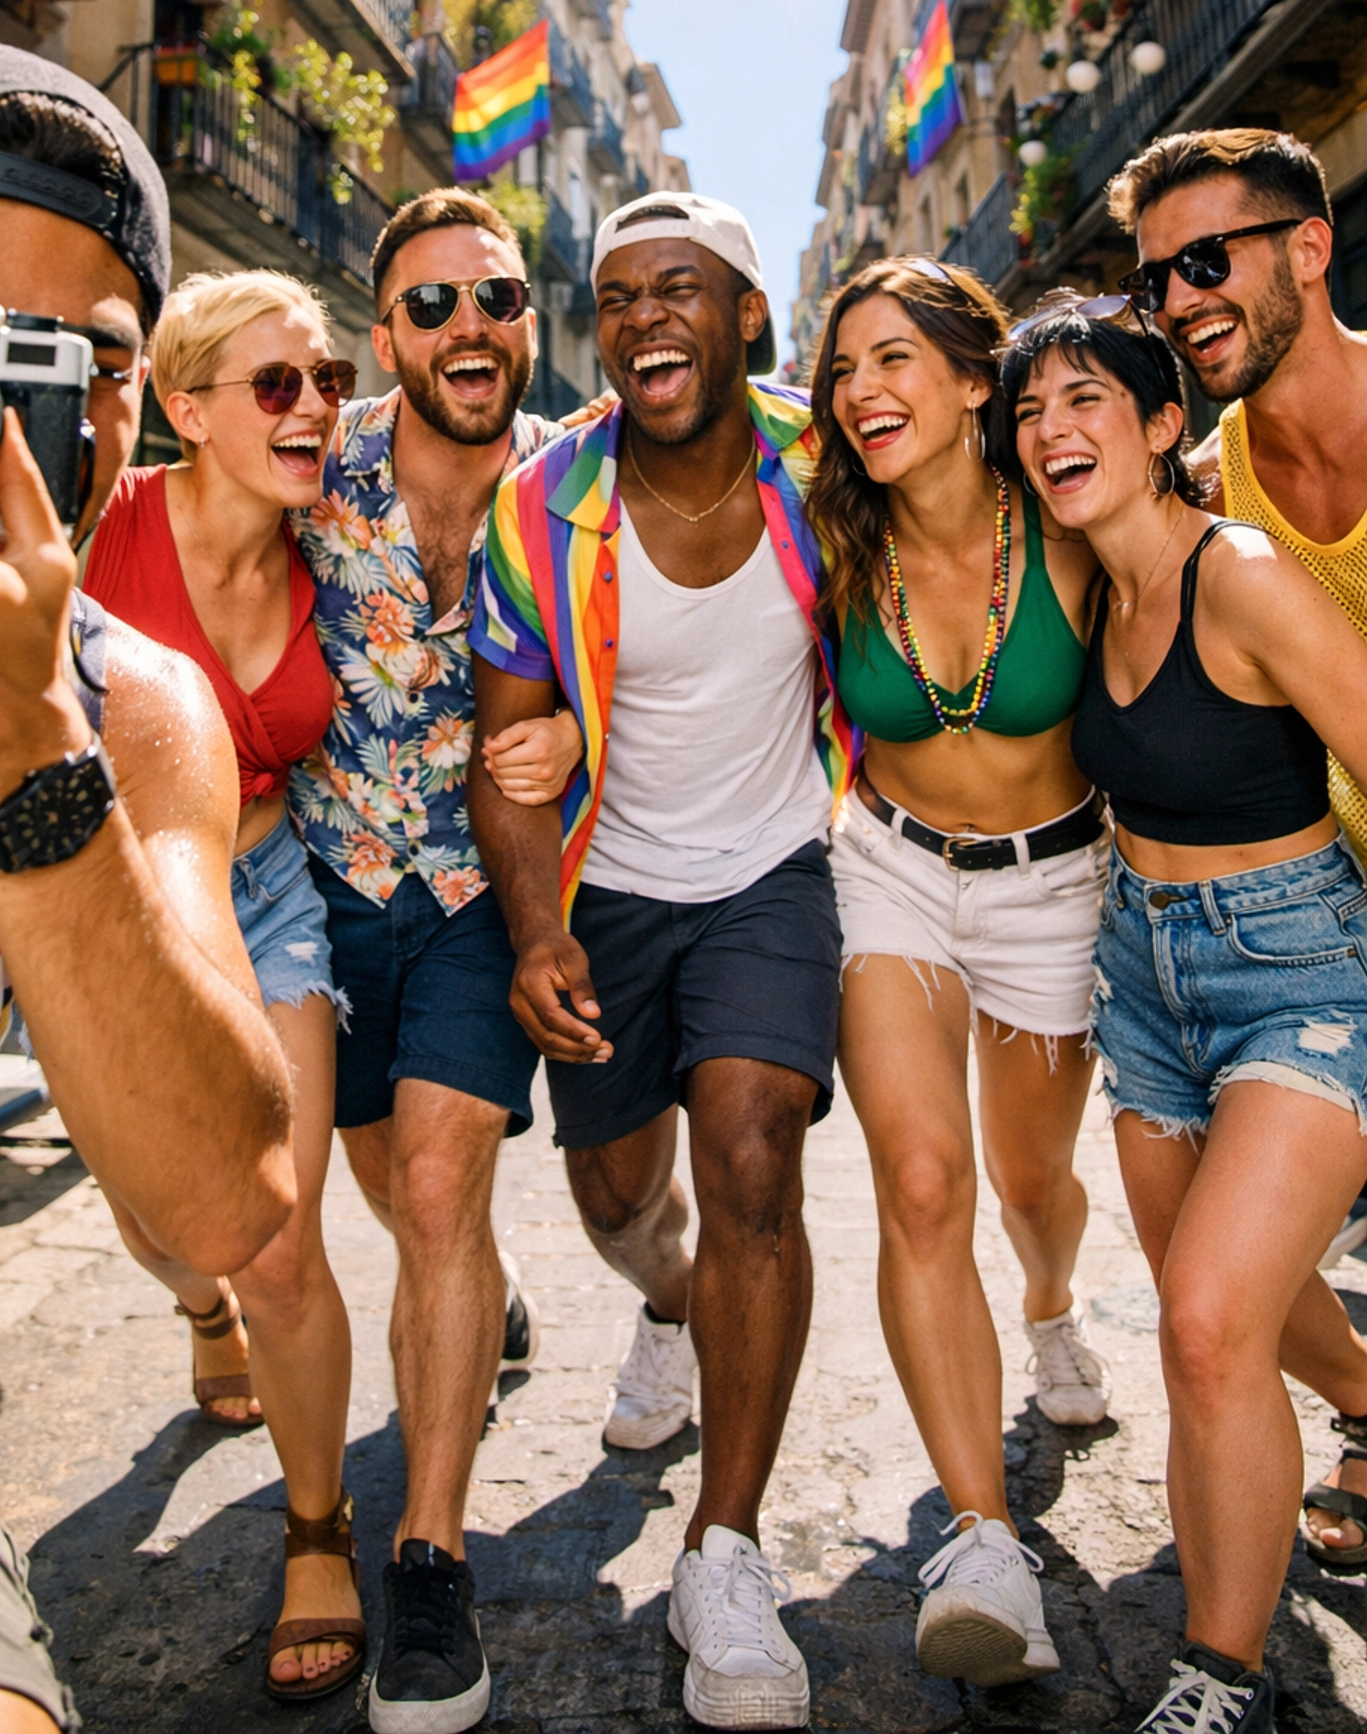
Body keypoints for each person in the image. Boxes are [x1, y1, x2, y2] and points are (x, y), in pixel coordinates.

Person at [0, 42, 296, 1733]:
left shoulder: (131, 711)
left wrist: (20, 774)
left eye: (67, 358)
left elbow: (224, 1202)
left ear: (124, 410)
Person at [467, 192, 853, 1732]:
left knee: (756, 1152)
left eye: (677, 290)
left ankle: (729, 1548)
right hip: (604, 891)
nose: (642, 321)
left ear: (746, 314)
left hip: (773, 872)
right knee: (624, 1198)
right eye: (618, 298)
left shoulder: (830, 467)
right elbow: (507, 747)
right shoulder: (543, 503)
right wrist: (537, 925)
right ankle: (673, 1303)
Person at [1003, 297, 1367, 1734]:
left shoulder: (1249, 575)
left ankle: (1220, 1674)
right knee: (1242, 1308)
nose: (1051, 431)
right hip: (1144, 982)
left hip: (1302, 974)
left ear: (1164, 426)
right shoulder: (1087, 587)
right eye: (1031, 411)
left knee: (1207, 1327)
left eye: (1087, 399)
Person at [287, 190, 582, 1734]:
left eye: (497, 296)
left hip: (482, 891)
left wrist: (576, 731)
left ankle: (428, 1562)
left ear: (526, 319)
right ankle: (481, 1299)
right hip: (327, 882)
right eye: (432, 305)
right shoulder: (306, 472)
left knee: (433, 1189)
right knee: (382, 1184)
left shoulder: (583, 490)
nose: (469, 325)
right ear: (383, 332)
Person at [805, 257, 1108, 1689]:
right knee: (923, 1182)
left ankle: (1051, 1305)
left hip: (1059, 885)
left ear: (976, 378)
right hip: (893, 871)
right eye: (845, 367)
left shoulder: (1064, 517)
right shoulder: (830, 539)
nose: (864, 390)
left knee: (1032, 1183)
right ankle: (983, 1535)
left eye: (895, 360)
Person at [84, 267, 364, 1704]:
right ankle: (198, 1315)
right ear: (184, 411)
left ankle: (319, 1527)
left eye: (324, 380)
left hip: (272, 891)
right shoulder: (104, 522)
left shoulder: (343, 546)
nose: (314, 407)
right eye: (275, 386)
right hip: (115, 909)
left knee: (279, 1237)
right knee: (167, 1230)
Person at [1111, 128, 1367, 1568]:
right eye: (1158, 282)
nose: (1181, 302)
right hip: (1309, 917)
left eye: (1207, 262)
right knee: (1225, 1278)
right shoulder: (1207, 487)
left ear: (1308, 248)